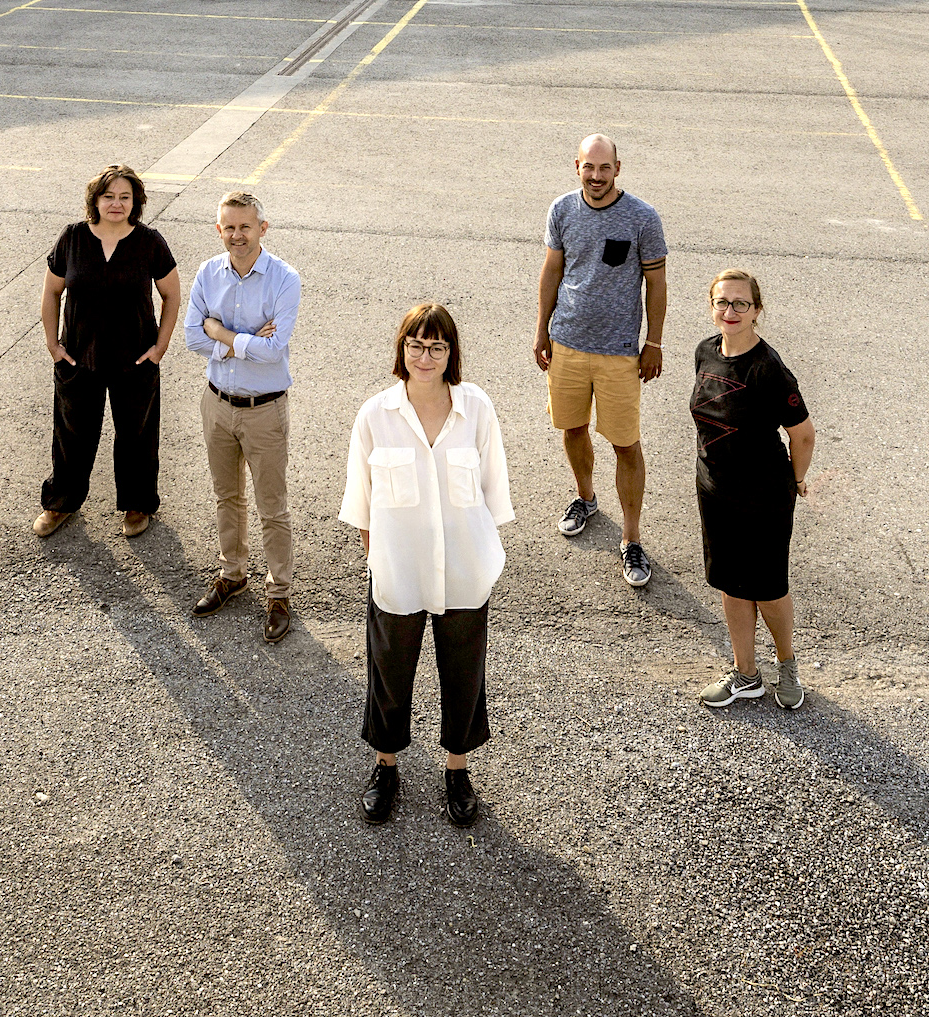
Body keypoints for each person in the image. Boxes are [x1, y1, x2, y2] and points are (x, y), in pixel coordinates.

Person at [339, 304, 514, 827]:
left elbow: (493, 491)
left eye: (437, 347)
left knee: (463, 676)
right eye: (416, 345)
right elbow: (362, 502)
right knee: (389, 674)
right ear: (402, 349)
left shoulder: (477, 408)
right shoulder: (375, 416)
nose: (425, 356)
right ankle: (385, 767)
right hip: (399, 572)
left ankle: (457, 771)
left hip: (463, 571)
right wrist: (378, 562)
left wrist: (482, 558)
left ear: (450, 354)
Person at [534, 133, 668, 587]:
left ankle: (631, 539)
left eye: (604, 168)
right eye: (588, 168)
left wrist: (654, 343)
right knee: (572, 428)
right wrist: (541, 332)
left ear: (617, 168)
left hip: (619, 354)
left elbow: (656, 284)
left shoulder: (642, 218)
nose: (596, 176)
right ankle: (585, 498)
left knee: (626, 444)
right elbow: (553, 270)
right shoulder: (562, 210)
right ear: (577, 167)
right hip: (567, 342)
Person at [35, 165, 181, 538]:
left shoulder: (150, 242)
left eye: (125, 197)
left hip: (135, 359)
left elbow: (171, 295)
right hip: (79, 357)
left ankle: (137, 504)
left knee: (136, 434)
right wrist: (54, 345)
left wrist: (159, 347)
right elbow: (52, 293)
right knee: (72, 433)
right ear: (95, 200)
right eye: (108, 196)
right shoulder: (73, 238)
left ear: (136, 202)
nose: (116, 204)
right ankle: (61, 503)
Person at [692, 270, 816, 710]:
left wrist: (797, 479)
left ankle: (787, 665)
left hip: (763, 496)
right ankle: (746, 674)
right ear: (712, 307)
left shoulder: (769, 370)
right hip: (715, 489)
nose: (730, 311)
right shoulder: (705, 351)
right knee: (731, 581)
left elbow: (802, 435)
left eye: (740, 303)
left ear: (757, 311)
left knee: (768, 587)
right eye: (722, 302)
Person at [184, 192, 302, 642]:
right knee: (226, 496)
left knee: (272, 506)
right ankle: (232, 574)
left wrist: (222, 332)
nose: (237, 235)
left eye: (245, 227)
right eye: (229, 227)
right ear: (220, 230)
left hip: (264, 410)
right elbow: (193, 338)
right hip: (216, 403)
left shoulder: (285, 279)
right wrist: (243, 339)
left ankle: (279, 593)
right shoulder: (208, 274)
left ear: (262, 229)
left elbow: (274, 352)